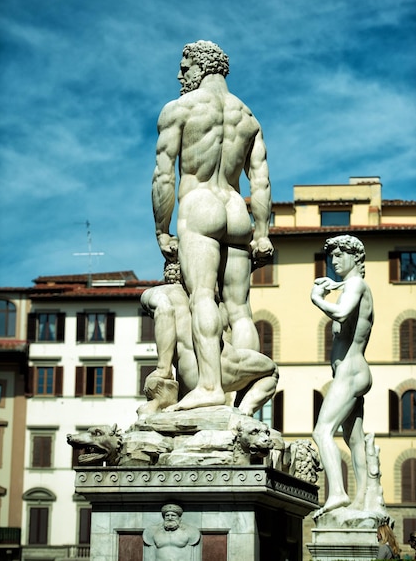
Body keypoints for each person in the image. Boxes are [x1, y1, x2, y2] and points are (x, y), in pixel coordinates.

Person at [151, 40, 274, 410]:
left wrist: (162, 228)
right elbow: (261, 181)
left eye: (184, 66)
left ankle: (209, 387)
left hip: (200, 205)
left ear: (201, 67)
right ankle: (239, 397)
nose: (179, 74)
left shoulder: (180, 109)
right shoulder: (248, 117)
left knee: (203, 294)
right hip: (237, 209)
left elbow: (163, 176)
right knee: (240, 309)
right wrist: (263, 232)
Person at [140, 259, 278, 415]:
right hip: (224, 370)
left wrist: (163, 369)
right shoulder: (211, 300)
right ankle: (244, 412)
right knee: (271, 370)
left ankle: (236, 413)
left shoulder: (157, 293)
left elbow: (164, 311)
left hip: (189, 375)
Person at [311, 235, 374, 516]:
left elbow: (342, 313)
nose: (334, 261)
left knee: (322, 431)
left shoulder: (357, 285)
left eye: (339, 256)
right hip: (352, 371)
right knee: (354, 439)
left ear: (356, 258)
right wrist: (331, 288)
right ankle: (365, 498)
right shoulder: (349, 286)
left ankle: (336, 492)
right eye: (331, 257)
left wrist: (316, 299)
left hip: (350, 371)